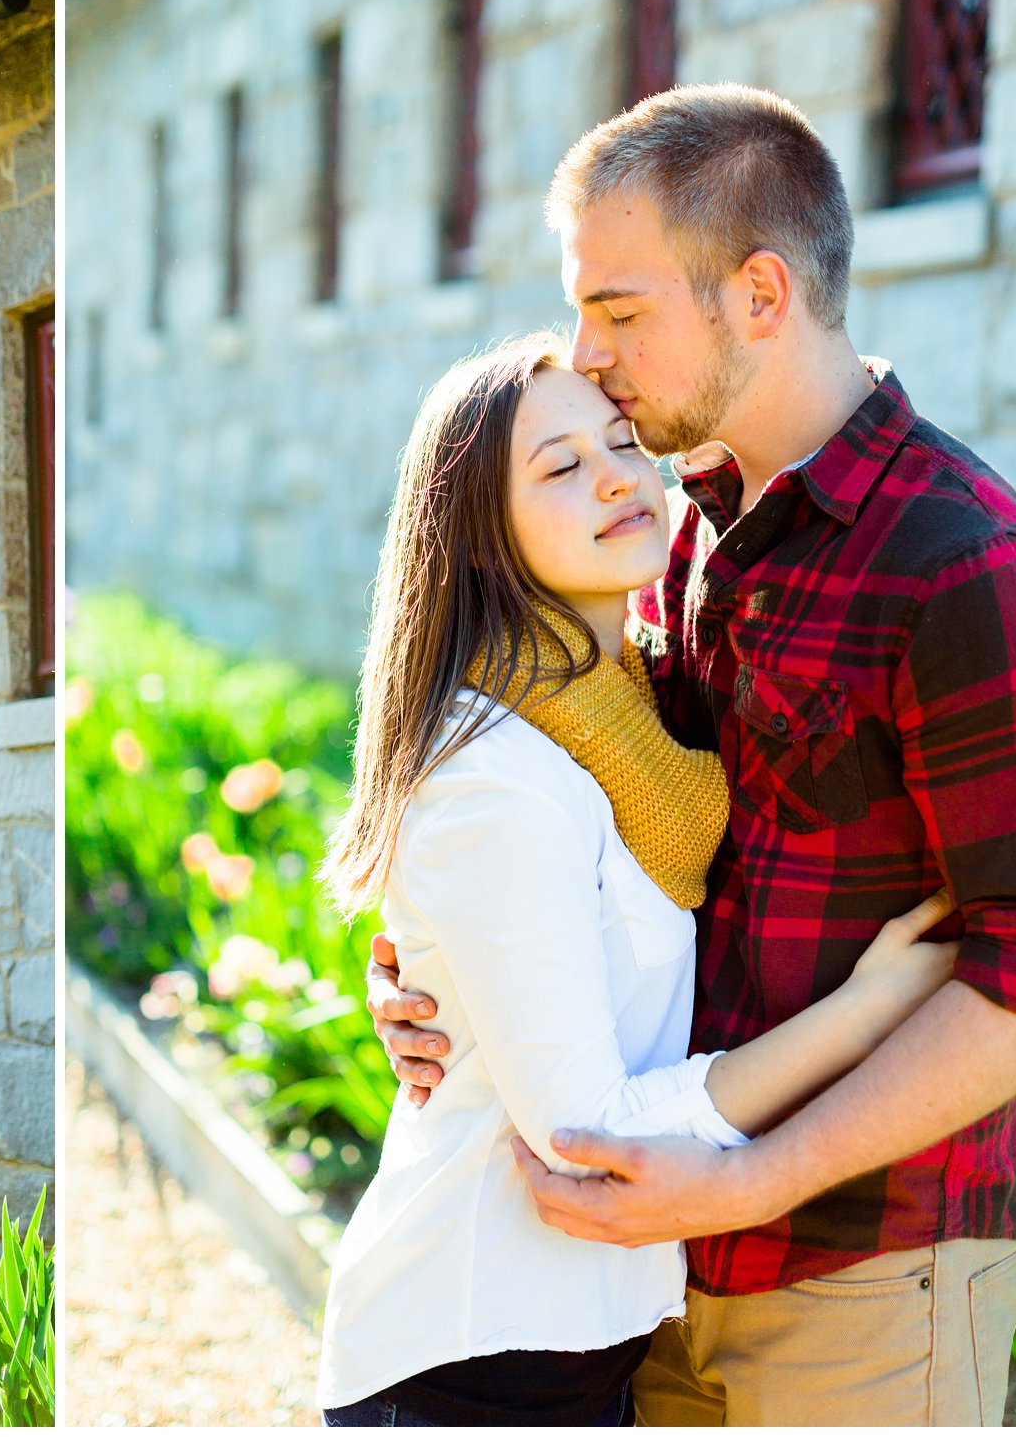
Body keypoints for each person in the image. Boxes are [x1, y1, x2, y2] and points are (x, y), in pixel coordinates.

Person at [365, 84, 1016, 1425]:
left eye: (620, 312)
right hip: (652, 1259)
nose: (588, 352)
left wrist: (750, 1179)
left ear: (759, 293)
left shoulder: (966, 562)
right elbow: (570, 815)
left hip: (870, 1264)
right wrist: (429, 966)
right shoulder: (676, 530)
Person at [314, 330, 961, 1426]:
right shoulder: (498, 774)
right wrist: (866, 1012)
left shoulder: (629, 717)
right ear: (476, 540)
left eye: (618, 442)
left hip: (575, 1342)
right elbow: (584, 1129)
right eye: (558, 467)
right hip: (471, 1353)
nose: (616, 474)